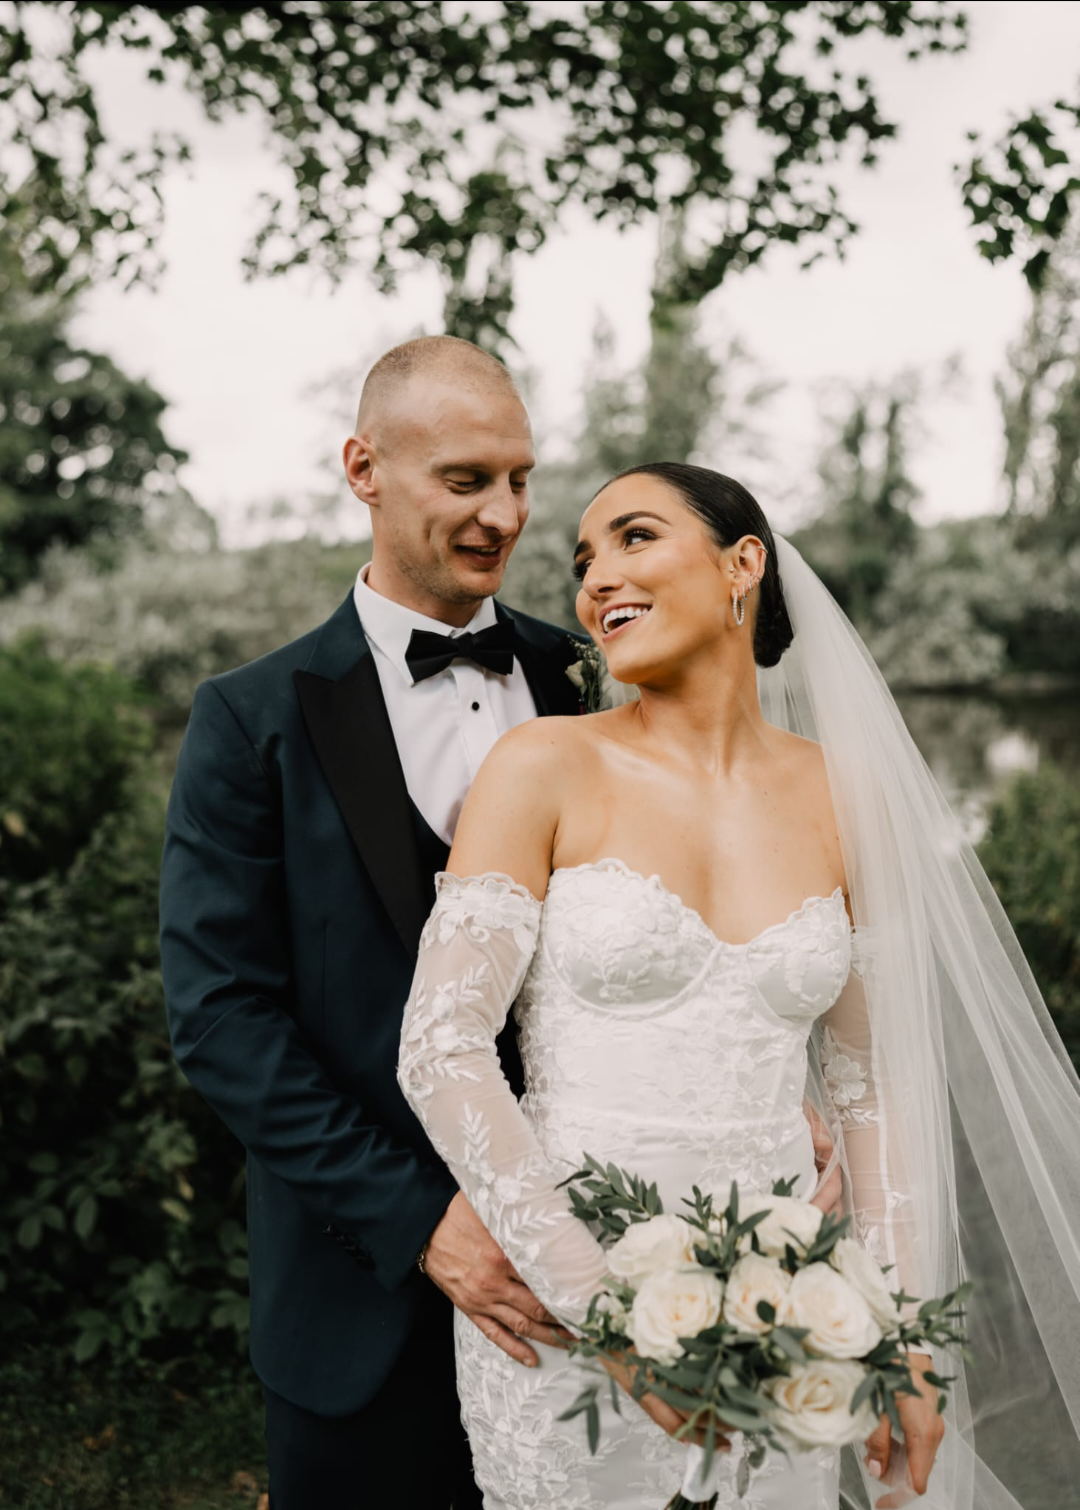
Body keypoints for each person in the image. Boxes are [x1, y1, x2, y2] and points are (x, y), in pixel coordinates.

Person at [397, 462, 1080, 1510]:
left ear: (741, 564)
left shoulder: (842, 797)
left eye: (633, 537)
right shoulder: (542, 766)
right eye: (582, 562)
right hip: (569, 1304)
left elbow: (867, 1093)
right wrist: (608, 1320)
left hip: (782, 1309)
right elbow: (441, 1050)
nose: (595, 580)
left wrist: (901, 1341)